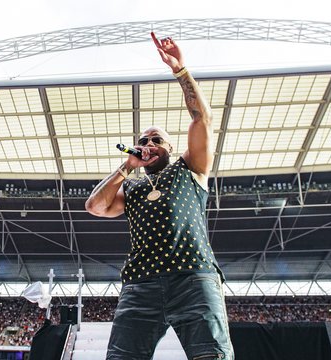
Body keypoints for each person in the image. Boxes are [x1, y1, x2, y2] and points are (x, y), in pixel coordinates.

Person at [85, 34, 234, 360]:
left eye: (157, 140)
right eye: (143, 140)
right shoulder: (133, 186)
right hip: (141, 283)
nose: (149, 143)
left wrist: (180, 69)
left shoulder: (190, 168)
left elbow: (202, 119)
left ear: (169, 148)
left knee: (212, 355)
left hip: (193, 276)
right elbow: (95, 206)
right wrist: (127, 166)